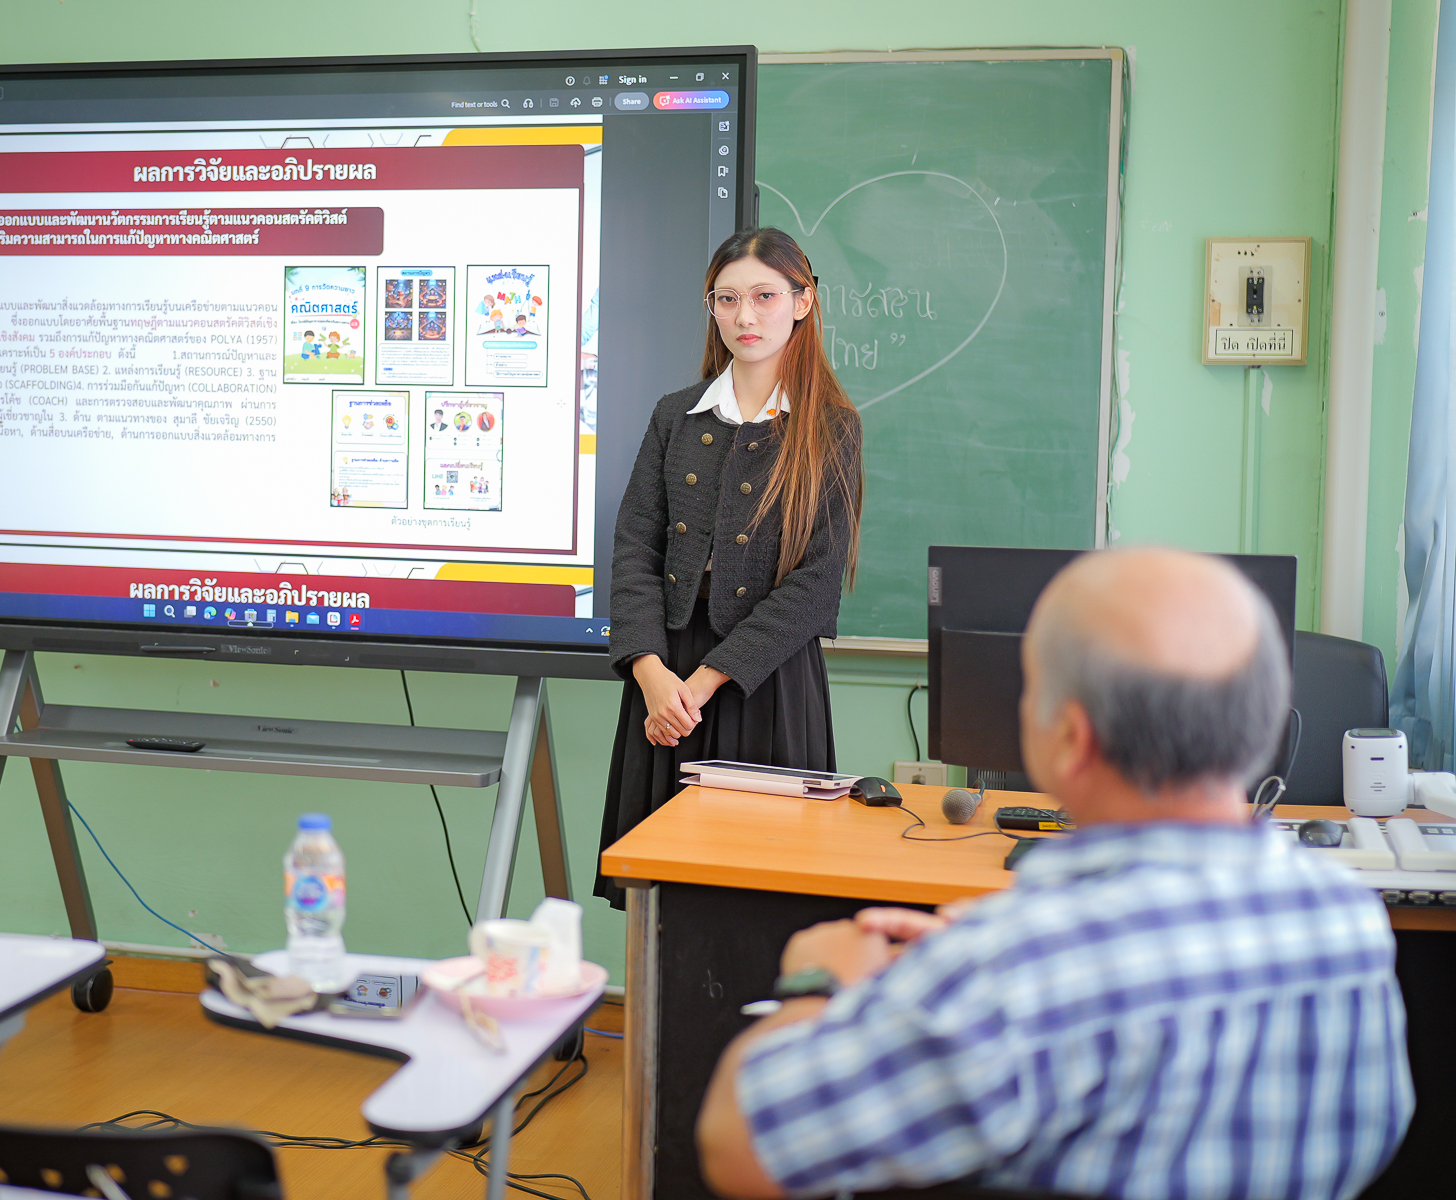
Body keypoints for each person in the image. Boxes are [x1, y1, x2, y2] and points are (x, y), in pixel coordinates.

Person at [696, 547, 1413, 1200]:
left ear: (1070, 737)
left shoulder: (1020, 968)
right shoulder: (1346, 919)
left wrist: (818, 984)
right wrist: (978, 963)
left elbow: (740, 1148)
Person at [595, 227, 863, 909]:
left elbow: (817, 581)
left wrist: (703, 683)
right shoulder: (675, 416)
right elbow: (635, 549)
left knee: (758, 898)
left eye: (765, 296)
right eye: (728, 298)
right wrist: (651, 674)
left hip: (764, 680)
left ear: (802, 302)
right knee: (662, 897)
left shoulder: (830, 426)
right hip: (666, 678)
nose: (746, 316)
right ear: (711, 307)